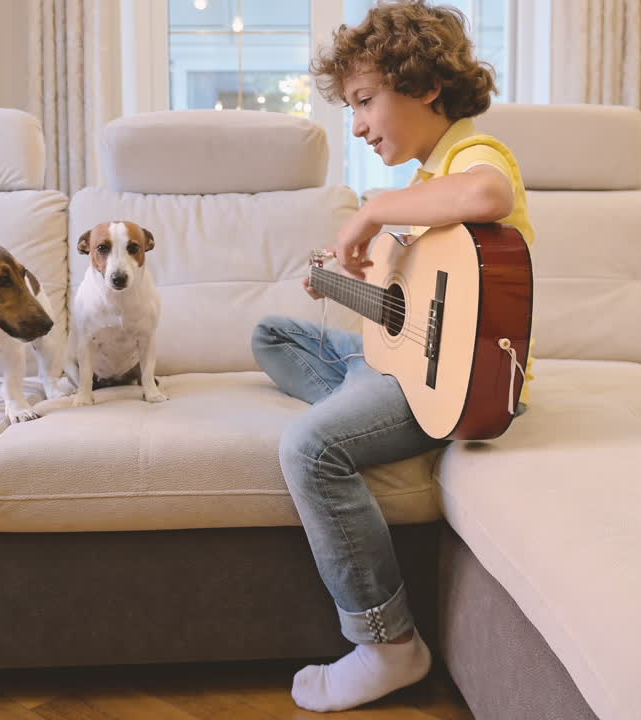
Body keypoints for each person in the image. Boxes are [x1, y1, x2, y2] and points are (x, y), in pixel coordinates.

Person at [249, 0, 536, 712]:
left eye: (364, 100)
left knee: (311, 449)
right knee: (272, 335)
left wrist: (373, 211)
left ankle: (388, 645)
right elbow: (408, 305)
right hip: (408, 364)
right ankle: (365, 389)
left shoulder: (472, 155)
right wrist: (341, 280)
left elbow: (489, 193)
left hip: (458, 384)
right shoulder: (422, 186)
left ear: (426, 86)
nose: (356, 124)